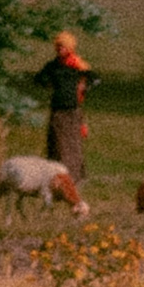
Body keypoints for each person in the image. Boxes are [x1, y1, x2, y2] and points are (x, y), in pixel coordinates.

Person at [34, 30, 97, 181]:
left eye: (63, 46)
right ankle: (56, 176)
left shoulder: (78, 65)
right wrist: (47, 83)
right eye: (58, 46)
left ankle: (74, 177)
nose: (59, 49)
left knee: (73, 145)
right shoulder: (53, 66)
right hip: (57, 110)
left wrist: (84, 87)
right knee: (57, 144)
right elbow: (38, 78)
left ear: (70, 48)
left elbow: (95, 79)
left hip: (73, 110)